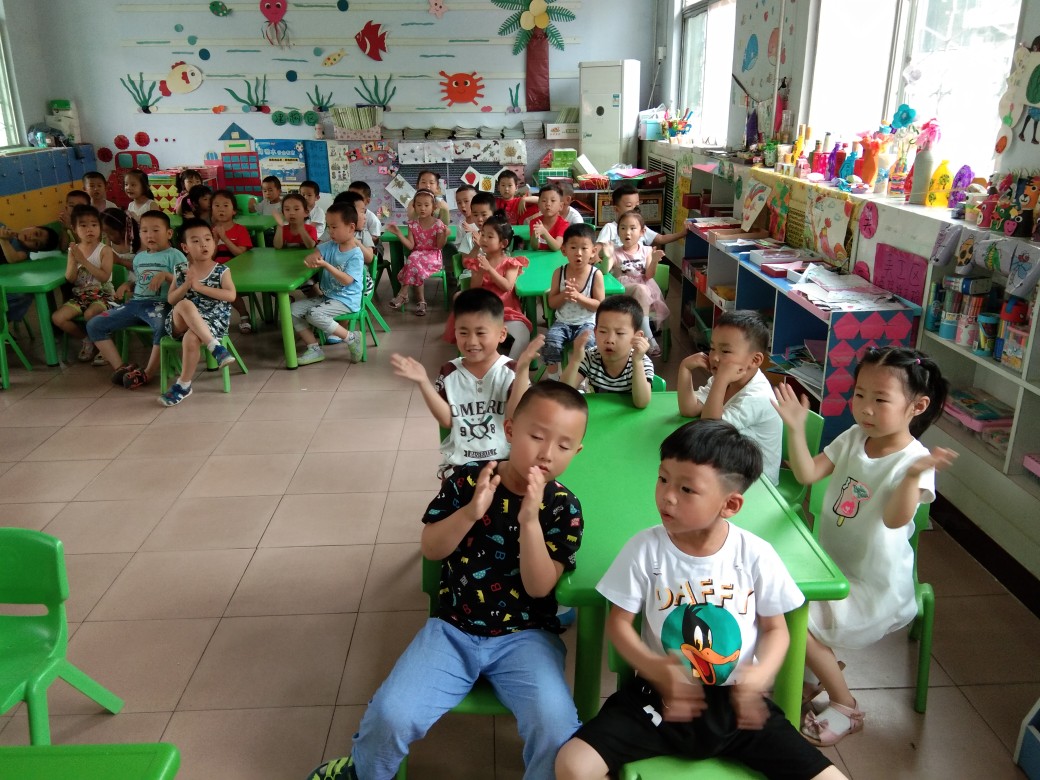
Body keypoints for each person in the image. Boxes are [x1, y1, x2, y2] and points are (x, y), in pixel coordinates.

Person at [309, 380, 589, 780]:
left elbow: (539, 587)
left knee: (558, 729)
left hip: (526, 636)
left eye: (563, 446)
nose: (546, 453)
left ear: (576, 452)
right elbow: (431, 549)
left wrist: (529, 521)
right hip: (454, 628)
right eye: (537, 436)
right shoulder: (467, 480)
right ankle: (362, 772)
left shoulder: (564, 507)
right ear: (510, 430)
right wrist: (471, 513)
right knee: (391, 713)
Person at [555, 419, 845, 780]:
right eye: (663, 479)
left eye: (687, 489)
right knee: (571, 765)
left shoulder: (755, 554)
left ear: (730, 504)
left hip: (738, 707)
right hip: (655, 698)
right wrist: (654, 666)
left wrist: (760, 675)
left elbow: (776, 629)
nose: (667, 496)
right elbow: (618, 624)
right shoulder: (645, 549)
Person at [773, 346, 957, 746]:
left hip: (875, 587)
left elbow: (895, 519)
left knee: (792, 615)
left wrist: (913, 477)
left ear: (917, 406)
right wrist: (795, 428)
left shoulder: (914, 461)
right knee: (775, 595)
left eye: (881, 399)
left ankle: (845, 703)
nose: (865, 408)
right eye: (859, 394)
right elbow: (807, 473)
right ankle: (813, 676)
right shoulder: (855, 436)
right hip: (832, 568)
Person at [394, 287, 540, 476]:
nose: (471, 341)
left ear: (502, 334)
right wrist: (423, 382)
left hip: (505, 464)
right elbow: (447, 420)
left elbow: (514, 419)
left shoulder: (511, 371)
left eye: (481, 333)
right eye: (463, 333)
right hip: (461, 467)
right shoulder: (449, 371)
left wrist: (523, 370)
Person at [678, 310, 783, 485]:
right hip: (727, 462)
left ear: (755, 360)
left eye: (725, 351)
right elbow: (689, 409)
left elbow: (709, 430)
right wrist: (684, 369)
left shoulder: (756, 396)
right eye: (712, 348)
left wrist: (721, 379)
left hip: (756, 482)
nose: (714, 357)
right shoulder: (726, 379)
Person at [87, 210, 182, 390]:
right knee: (94, 325)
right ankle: (121, 368)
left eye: (155, 230)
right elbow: (141, 280)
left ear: (169, 233)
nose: (149, 235)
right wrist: (128, 285)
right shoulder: (139, 257)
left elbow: (186, 284)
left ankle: (148, 372)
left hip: (160, 304)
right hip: (135, 304)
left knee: (163, 327)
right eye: (144, 231)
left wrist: (167, 276)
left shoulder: (175, 255)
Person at [158, 218, 237, 407]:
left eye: (208, 239)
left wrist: (200, 288)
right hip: (180, 321)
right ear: (185, 247)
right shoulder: (181, 270)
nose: (204, 244)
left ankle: (183, 385)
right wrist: (186, 285)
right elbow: (171, 299)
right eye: (196, 241)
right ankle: (215, 347)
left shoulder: (222, 270)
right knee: (184, 304)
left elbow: (231, 295)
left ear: (214, 242)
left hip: (212, 320)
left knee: (192, 337)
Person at [442, 218, 531, 360]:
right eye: (482, 234)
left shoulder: (511, 263)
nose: (483, 239)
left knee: (524, 334)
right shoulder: (479, 261)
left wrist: (490, 270)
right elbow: (475, 288)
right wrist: (480, 272)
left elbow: (507, 286)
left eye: (490, 236)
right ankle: (482, 361)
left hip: (505, 310)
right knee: (477, 333)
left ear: (503, 243)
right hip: (482, 309)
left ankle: (511, 367)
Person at [291, 202, 366, 366]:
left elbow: (347, 280)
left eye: (334, 227)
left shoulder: (355, 254)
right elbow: (314, 254)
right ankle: (314, 348)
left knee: (313, 314)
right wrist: (312, 258)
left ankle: (351, 338)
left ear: (351, 228)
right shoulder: (329, 246)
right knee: (293, 310)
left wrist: (325, 265)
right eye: (328, 227)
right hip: (329, 297)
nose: (330, 231)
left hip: (346, 300)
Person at [563, 294, 653, 408]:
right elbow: (564, 393)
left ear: (637, 336)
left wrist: (637, 362)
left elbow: (641, 403)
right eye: (603, 331)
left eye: (620, 333)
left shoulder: (642, 362)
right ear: (595, 332)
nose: (609, 340)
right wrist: (575, 360)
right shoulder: (590, 357)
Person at [541, 223, 605, 382]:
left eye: (584, 248)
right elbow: (552, 303)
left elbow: (600, 305)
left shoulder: (595, 274)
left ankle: (583, 381)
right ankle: (553, 378)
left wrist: (578, 297)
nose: (579, 253)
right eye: (573, 247)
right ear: (564, 250)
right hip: (562, 322)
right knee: (550, 341)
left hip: (587, 323)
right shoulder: (559, 272)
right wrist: (564, 295)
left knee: (589, 344)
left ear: (593, 251)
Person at [52, 205, 116, 363]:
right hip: (81, 296)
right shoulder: (74, 250)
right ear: (74, 229)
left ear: (100, 227)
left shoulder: (105, 250)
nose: (89, 229)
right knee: (58, 318)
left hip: (103, 295)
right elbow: (70, 279)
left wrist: (84, 261)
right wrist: (74, 260)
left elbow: (104, 277)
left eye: (94, 225)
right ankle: (87, 340)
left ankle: (104, 343)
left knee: (90, 314)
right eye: (83, 225)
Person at [609, 209, 669, 358]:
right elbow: (604, 270)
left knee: (642, 289)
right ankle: (648, 336)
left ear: (642, 232)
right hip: (623, 291)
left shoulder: (647, 250)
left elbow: (649, 275)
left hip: (645, 290)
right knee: (640, 289)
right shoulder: (615, 252)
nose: (627, 232)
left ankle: (644, 332)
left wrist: (654, 260)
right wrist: (605, 255)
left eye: (632, 228)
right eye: (623, 228)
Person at [386, 189, 447, 316]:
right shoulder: (412, 225)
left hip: (433, 255)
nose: (422, 208)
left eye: (426, 205)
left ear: (434, 207)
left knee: (413, 261)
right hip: (417, 256)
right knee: (414, 259)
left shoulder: (438, 224)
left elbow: (439, 246)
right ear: (414, 206)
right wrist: (398, 233)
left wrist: (444, 235)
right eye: (419, 205)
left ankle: (404, 294)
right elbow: (411, 246)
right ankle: (421, 302)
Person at [595, 184, 688, 265]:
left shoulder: (640, 228)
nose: (634, 209)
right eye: (629, 205)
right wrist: (602, 266)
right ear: (616, 209)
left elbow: (661, 238)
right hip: (619, 272)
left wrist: (682, 233)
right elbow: (596, 251)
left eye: (637, 205)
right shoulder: (610, 228)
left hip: (640, 272)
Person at [208, 189, 254, 332]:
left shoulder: (240, 230)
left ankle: (244, 315)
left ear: (234, 211)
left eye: (225, 205)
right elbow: (209, 258)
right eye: (216, 205)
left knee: (225, 285)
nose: (221, 209)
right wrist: (215, 240)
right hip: (216, 270)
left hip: (238, 269)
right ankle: (212, 318)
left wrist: (225, 238)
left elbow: (240, 254)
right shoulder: (209, 231)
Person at [527, 183, 568, 252]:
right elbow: (534, 247)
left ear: (561, 206)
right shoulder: (534, 222)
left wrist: (544, 232)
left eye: (553, 200)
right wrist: (535, 235)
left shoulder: (563, 224)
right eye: (544, 201)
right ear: (539, 205)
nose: (548, 204)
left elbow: (556, 247)